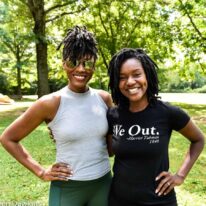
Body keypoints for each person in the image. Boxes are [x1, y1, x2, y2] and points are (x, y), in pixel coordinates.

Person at [0, 26, 113, 206]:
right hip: (67, 189)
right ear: (63, 64)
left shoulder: (104, 99)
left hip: (104, 185)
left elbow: (111, 149)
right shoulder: (50, 103)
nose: (81, 69)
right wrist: (41, 171)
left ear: (95, 65)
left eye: (88, 63)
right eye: (74, 62)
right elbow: (8, 138)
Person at [106, 48, 205, 206]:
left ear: (147, 75)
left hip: (159, 201)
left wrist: (180, 175)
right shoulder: (113, 115)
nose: (130, 81)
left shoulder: (168, 113)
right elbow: (109, 151)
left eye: (136, 74)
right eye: (122, 77)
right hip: (118, 200)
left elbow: (198, 139)